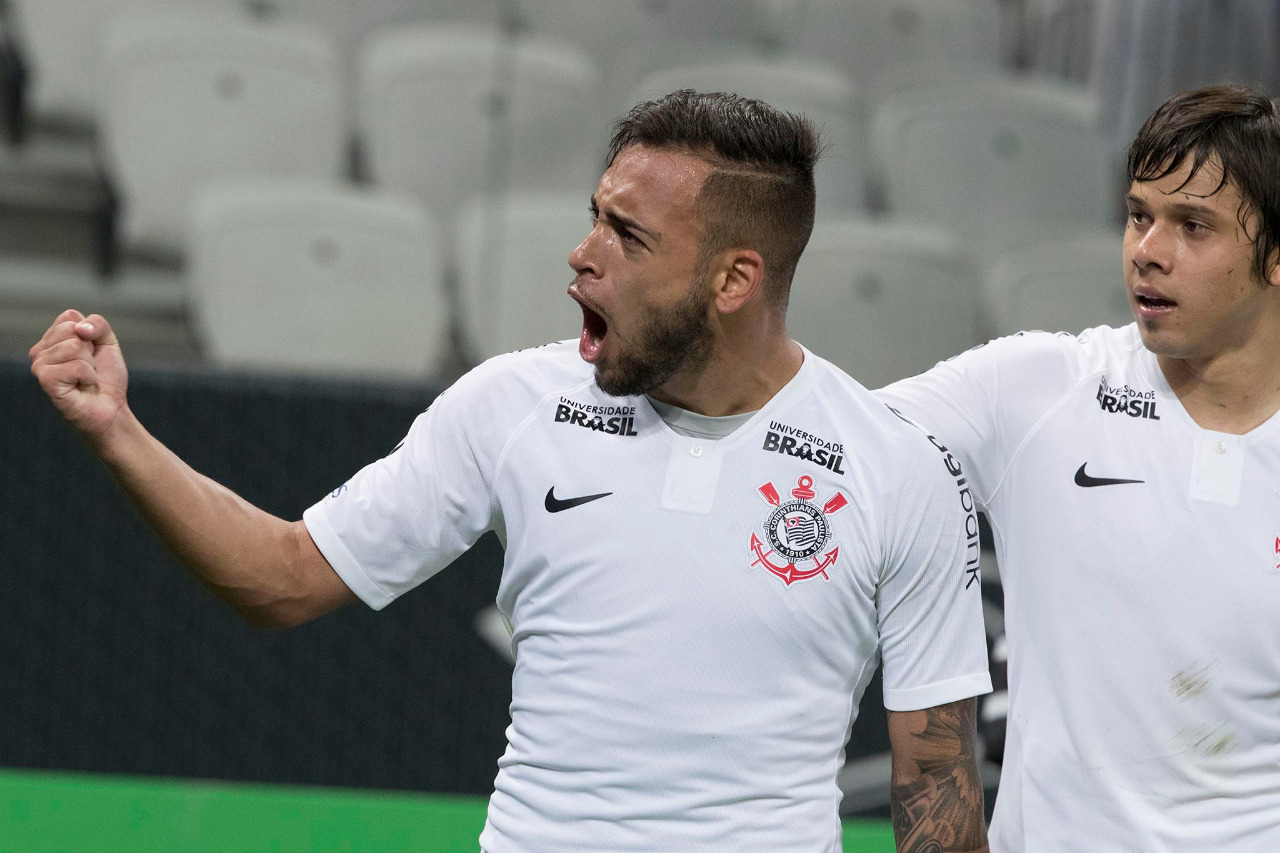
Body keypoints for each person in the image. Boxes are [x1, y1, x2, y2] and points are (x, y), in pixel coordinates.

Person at [30, 90, 991, 852]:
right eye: (594, 217)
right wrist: (118, 431)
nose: (582, 255)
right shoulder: (512, 405)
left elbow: (937, 794)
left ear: (734, 279)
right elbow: (281, 576)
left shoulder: (899, 469)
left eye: (628, 235)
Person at [876, 83, 1280, 851]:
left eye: (1192, 225)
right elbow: (826, 448)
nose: (1146, 250)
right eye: (1138, 215)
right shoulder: (1035, 390)